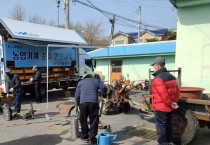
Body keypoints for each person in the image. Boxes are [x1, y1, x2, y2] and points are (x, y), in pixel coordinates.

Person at [151, 56, 180, 145]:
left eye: (154, 65)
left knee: (161, 127)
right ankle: (169, 142)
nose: (153, 67)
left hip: (161, 108)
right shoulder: (172, 77)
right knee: (168, 126)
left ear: (158, 66)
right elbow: (177, 92)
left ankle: (162, 143)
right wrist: (173, 103)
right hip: (170, 107)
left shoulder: (158, 78)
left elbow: (163, 94)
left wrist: (169, 103)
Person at [75, 74, 107, 145]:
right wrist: (104, 94)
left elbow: (77, 95)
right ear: (91, 77)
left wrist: (78, 102)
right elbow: (103, 88)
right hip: (93, 103)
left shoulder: (80, 82)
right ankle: (92, 138)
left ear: (84, 78)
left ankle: (85, 136)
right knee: (94, 120)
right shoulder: (97, 81)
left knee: (83, 120)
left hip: (83, 104)